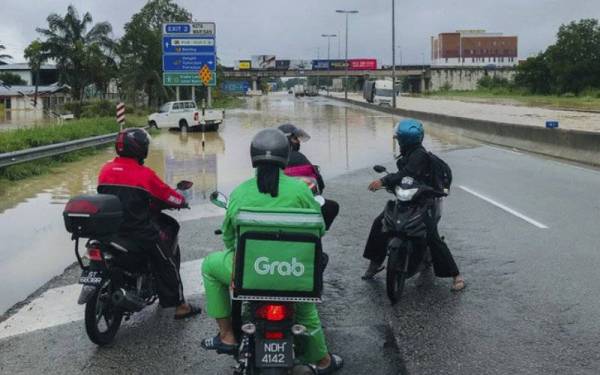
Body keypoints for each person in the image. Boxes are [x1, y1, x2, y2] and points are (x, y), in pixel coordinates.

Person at [200, 128, 343, 374]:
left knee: (209, 267)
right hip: (295, 272)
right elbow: (318, 231)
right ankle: (322, 361)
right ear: (285, 157)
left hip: (250, 274)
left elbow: (229, 238)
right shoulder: (301, 191)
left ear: (253, 157)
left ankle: (226, 336)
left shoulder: (241, 192)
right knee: (306, 311)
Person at [97, 128, 201, 319]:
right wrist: (182, 201)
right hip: (138, 232)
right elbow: (168, 195)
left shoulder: (105, 170)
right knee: (167, 262)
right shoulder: (144, 174)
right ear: (141, 149)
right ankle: (180, 305)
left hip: (110, 231)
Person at [362, 119, 465, 291]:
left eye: (399, 138)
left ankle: (456, 275)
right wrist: (390, 183)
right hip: (406, 200)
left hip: (424, 202)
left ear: (405, 140)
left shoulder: (419, 155)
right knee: (380, 223)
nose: (397, 140)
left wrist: (383, 180)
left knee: (433, 236)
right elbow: (405, 177)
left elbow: (406, 173)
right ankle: (375, 263)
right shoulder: (408, 153)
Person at [278, 123, 340, 230]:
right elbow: (319, 186)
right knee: (332, 207)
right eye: (295, 138)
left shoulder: (272, 159)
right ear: (287, 140)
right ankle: (317, 235)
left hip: (277, 206)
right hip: (298, 206)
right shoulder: (298, 157)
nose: (298, 141)